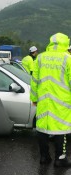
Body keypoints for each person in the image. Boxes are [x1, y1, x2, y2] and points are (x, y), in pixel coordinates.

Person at [30, 32, 71, 167]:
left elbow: (34, 81)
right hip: (61, 103)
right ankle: (60, 159)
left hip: (43, 101)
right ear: (65, 43)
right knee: (60, 129)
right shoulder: (68, 59)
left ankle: (44, 157)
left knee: (42, 129)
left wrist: (34, 98)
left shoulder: (40, 58)